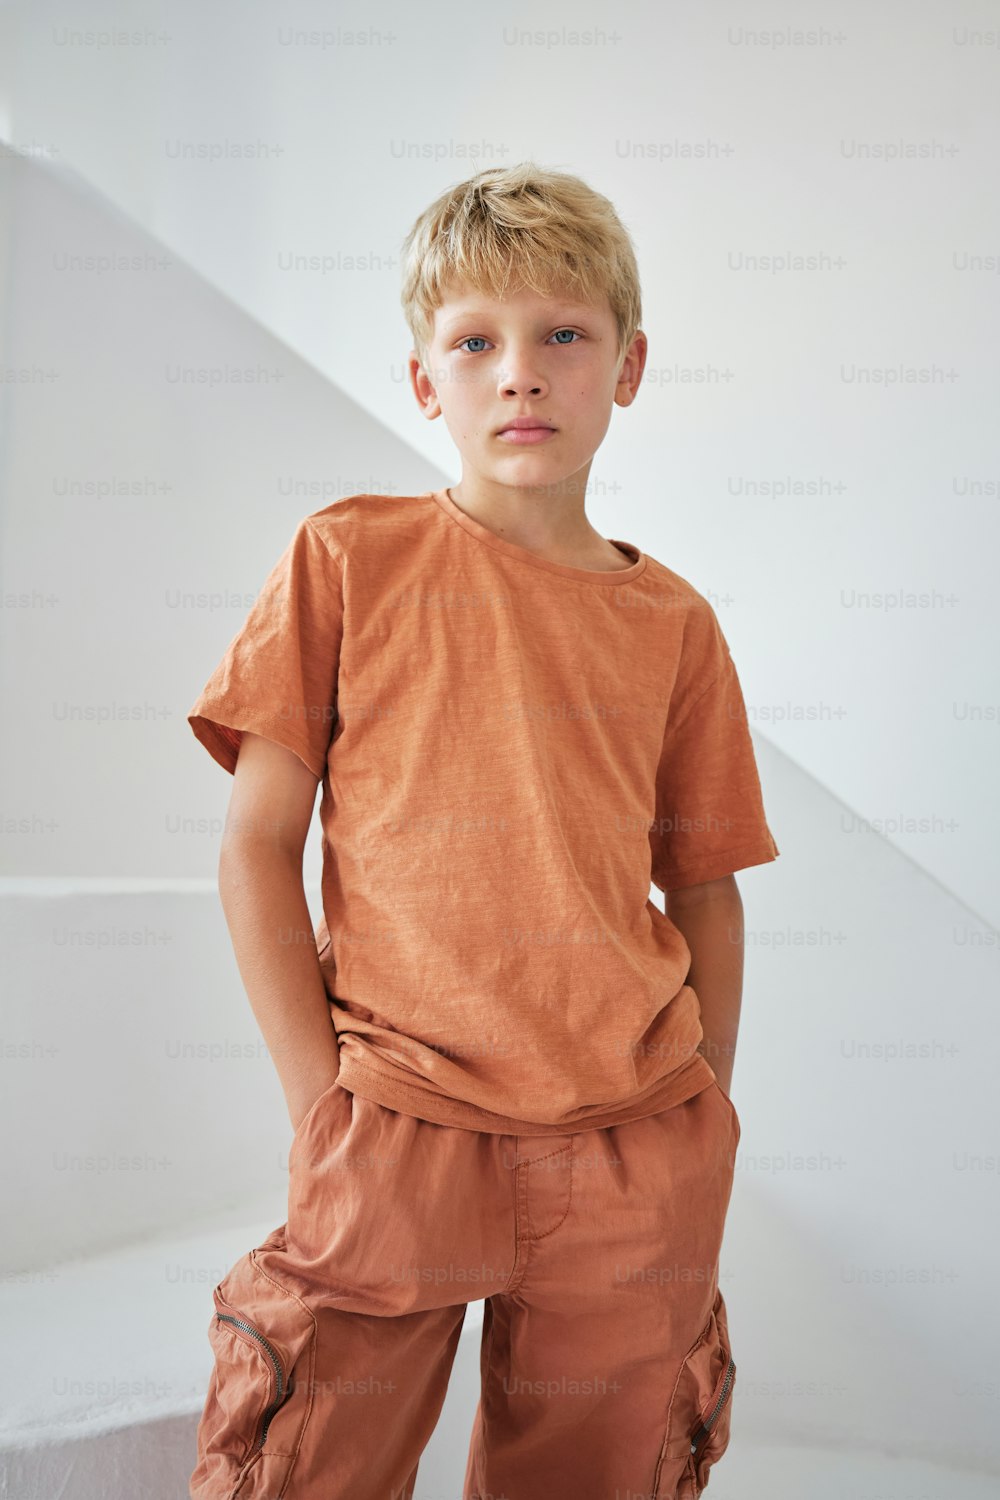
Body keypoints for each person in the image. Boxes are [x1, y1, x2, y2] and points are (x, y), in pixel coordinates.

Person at [187, 160, 780, 1500]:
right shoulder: (347, 560)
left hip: (635, 1142)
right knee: (305, 1466)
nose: (522, 373)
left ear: (626, 368)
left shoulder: (673, 623)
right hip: (394, 1120)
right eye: (477, 342)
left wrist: (710, 1118)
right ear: (425, 382)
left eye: (564, 335)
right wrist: (315, 1103)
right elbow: (254, 845)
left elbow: (708, 890)